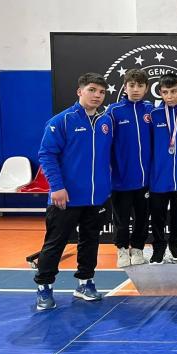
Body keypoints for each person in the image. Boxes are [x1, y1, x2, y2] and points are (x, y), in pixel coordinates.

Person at [34, 73, 113, 311]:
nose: (97, 95)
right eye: (92, 90)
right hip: (65, 198)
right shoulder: (61, 121)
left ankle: (85, 283)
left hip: (96, 198)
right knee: (55, 243)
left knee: (90, 241)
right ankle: (44, 287)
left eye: (101, 92)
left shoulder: (105, 122)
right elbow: (47, 155)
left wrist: (106, 188)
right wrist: (57, 187)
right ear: (80, 91)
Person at [105, 68, 153, 268]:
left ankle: (138, 248)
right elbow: (104, 144)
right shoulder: (113, 111)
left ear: (146, 88)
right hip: (120, 179)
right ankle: (122, 249)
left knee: (142, 218)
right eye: (131, 85)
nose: (135, 89)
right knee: (121, 219)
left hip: (145, 179)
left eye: (140, 86)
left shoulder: (150, 110)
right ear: (125, 87)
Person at [148, 74, 177, 264]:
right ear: (160, 93)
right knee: (157, 215)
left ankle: (175, 244)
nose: (170, 96)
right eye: (165, 92)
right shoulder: (153, 115)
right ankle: (158, 247)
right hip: (158, 175)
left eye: (173, 91)